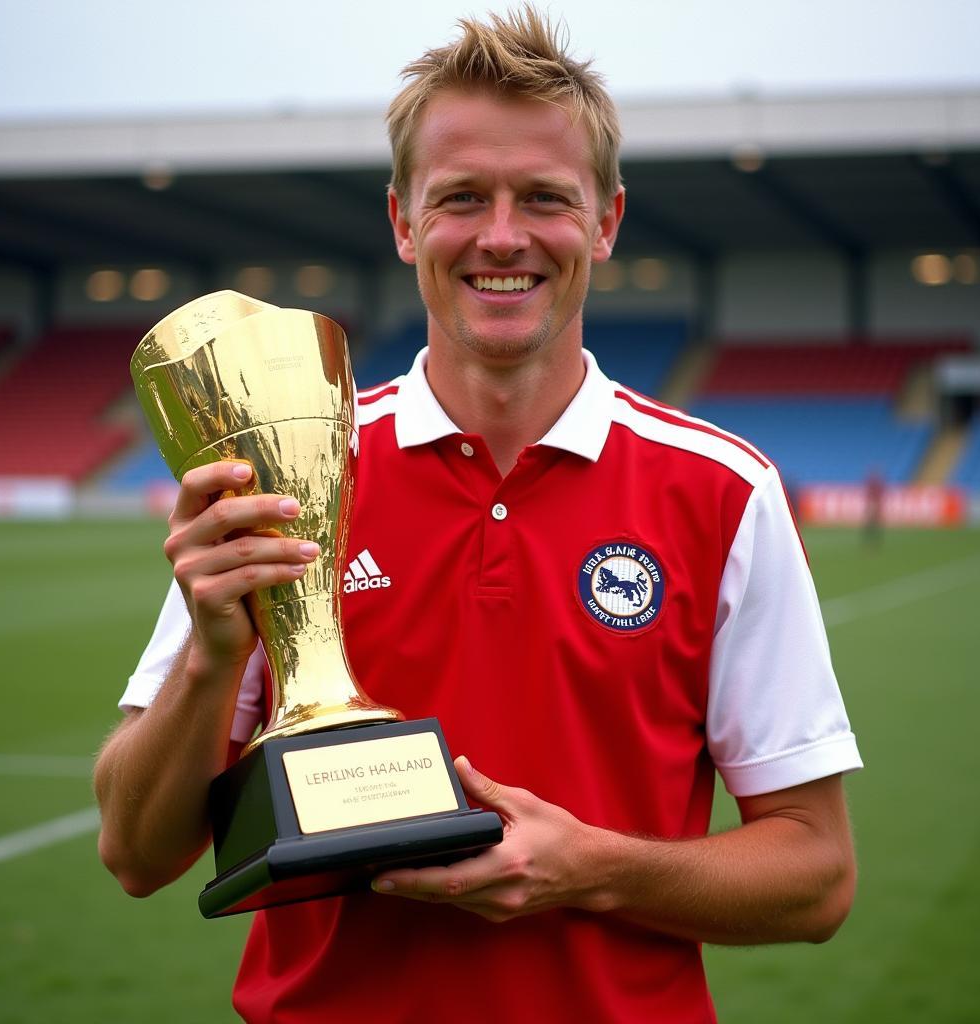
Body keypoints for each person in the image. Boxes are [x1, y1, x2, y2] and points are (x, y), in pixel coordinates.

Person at [95, 8, 862, 1022]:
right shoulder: (277, 470)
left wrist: (589, 867)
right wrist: (209, 657)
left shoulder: (723, 492)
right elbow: (136, 854)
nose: (502, 236)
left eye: (544, 197)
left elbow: (815, 874)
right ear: (405, 221)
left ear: (606, 221)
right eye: (461, 198)